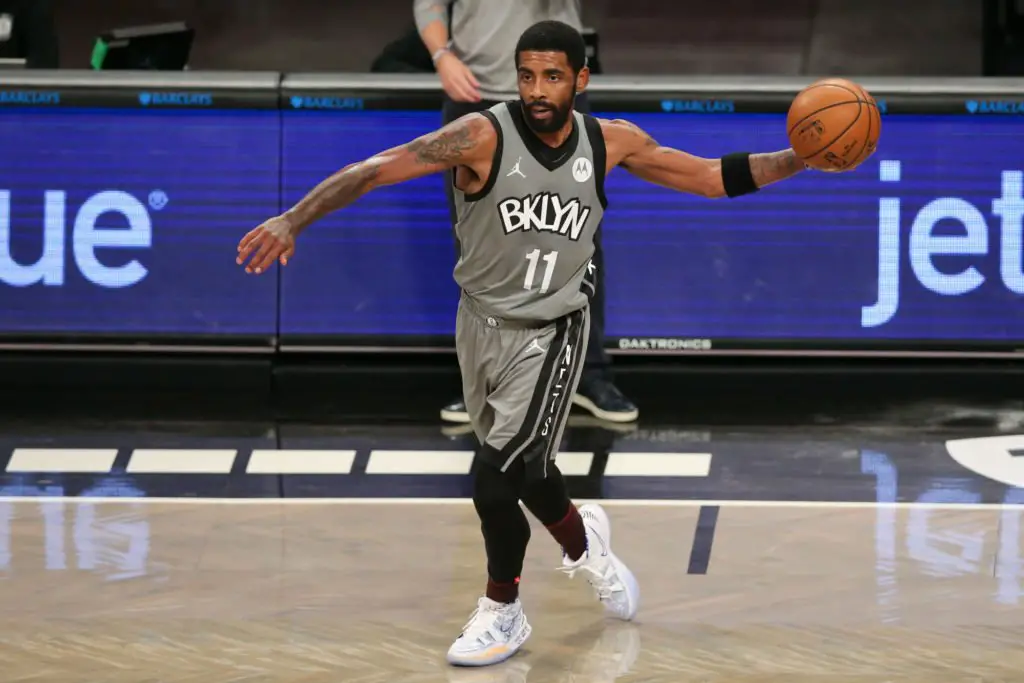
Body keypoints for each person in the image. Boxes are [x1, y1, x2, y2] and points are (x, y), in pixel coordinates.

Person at [237, 20, 811, 668]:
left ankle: (502, 609)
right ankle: (586, 544)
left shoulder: (610, 141)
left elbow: (709, 177)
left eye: (553, 77)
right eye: (528, 76)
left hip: (555, 328)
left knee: (494, 479)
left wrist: (798, 158)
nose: (538, 90)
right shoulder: (479, 136)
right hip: (480, 326)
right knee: (530, 474)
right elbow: (373, 171)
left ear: (580, 79)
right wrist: (293, 218)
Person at [413, 0, 640, 425]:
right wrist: (442, 56)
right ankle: (485, 382)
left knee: (577, 238)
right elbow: (428, 4)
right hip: (475, 97)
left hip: (558, 96)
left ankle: (587, 374)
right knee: (479, 247)